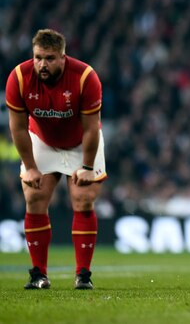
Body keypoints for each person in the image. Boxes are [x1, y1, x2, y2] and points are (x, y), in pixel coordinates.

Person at [5, 28, 107, 290]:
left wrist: (86, 166)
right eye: (38, 57)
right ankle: (38, 274)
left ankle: (83, 275)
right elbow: (17, 128)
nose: (42, 64)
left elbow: (91, 128)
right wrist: (29, 167)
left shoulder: (85, 77)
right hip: (42, 139)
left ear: (63, 57)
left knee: (83, 199)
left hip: (81, 142)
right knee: (34, 197)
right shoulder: (18, 77)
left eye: (50, 58)